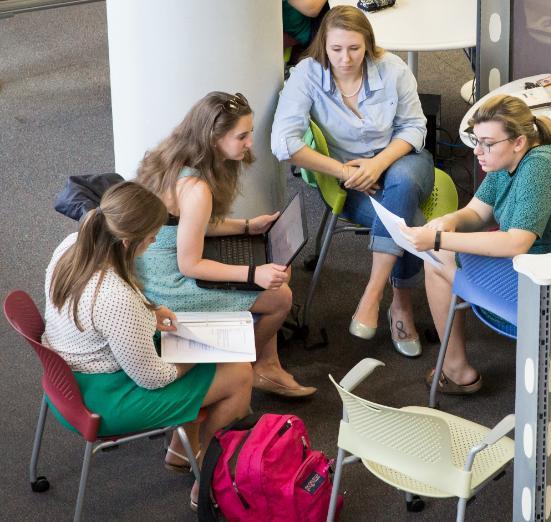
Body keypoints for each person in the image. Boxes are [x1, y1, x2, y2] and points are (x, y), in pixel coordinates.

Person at [43, 182, 253, 509]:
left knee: (185, 348)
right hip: (102, 398)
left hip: (65, 376)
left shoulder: (74, 245)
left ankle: (182, 451)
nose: (155, 241)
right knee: (239, 375)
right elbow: (153, 378)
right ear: (127, 242)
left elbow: (112, 305)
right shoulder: (115, 298)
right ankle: (210, 480)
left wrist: (151, 311)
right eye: (152, 236)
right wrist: (195, 355)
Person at [401, 94, 551, 393]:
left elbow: (515, 244)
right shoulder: (509, 159)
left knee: (434, 257)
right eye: (476, 140)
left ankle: (456, 370)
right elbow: (477, 212)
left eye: (487, 143)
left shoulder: (539, 169)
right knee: (441, 248)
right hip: (545, 269)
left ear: (518, 142)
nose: (477, 152)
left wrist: (437, 238)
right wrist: (450, 221)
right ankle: (457, 362)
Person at [271, 5, 435, 358]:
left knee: (404, 182)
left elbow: (415, 128)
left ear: (368, 45)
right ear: (323, 46)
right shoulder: (307, 74)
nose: (345, 59)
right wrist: (344, 171)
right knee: (408, 220)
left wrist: (378, 164)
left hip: (402, 158)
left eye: (354, 49)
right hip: (346, 177)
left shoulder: (392, 69)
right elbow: (283, 142)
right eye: (336, 49)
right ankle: (401, 303)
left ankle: (374, 294)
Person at [136, 91, 316, 398]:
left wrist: (248, 226)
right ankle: (256, 368)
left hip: (153, 264)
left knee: (270, 264)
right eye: (241, 136)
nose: (249, 143)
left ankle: (267, 362)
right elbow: (189, 265)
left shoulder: (176, 157)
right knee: (279, 295)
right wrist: (251, 275)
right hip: (166, 285)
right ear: (213, 138)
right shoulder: (195, 187)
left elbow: (193, 224)